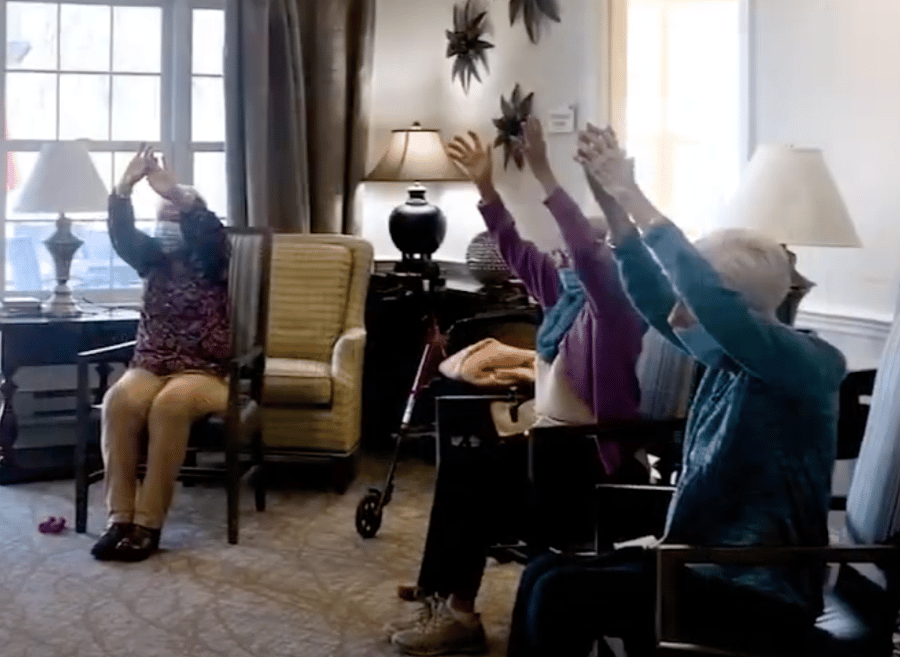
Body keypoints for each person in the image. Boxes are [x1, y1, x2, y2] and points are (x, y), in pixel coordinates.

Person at [504, 125, 847, 657]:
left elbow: (704, 299)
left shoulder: (804, 366)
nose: (677, 315)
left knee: (561, 593)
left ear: (736, 310)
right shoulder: (725, 359)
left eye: (694, 304)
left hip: (758, 591)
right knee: (545, 569)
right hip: (695, 563)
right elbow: (652, 293)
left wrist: (634, 196)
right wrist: (614, 210)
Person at [384, 117, 648, 656]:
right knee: (465, 458)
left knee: (475, 471)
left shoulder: (617, 309)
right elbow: (515, 248)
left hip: (597, 472)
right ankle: (450, 594)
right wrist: (486, 187)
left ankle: (453, 603)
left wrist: (547, 172)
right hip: (558, 453)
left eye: (580, 253)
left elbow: (588, 249)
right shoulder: (566, 297)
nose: (567, 258)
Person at [90, 145, 231, 563]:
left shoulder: (213, 258)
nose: (167, 223)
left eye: (176, 216)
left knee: (169, 406)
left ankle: (148, 525)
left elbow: (209, 234)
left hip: (207, 372)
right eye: (162, 217)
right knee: (119, 400)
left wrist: (179, 197)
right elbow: (123, 235)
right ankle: (120, 519)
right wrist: (123, 189)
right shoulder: (150, 259)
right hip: (150, 364)